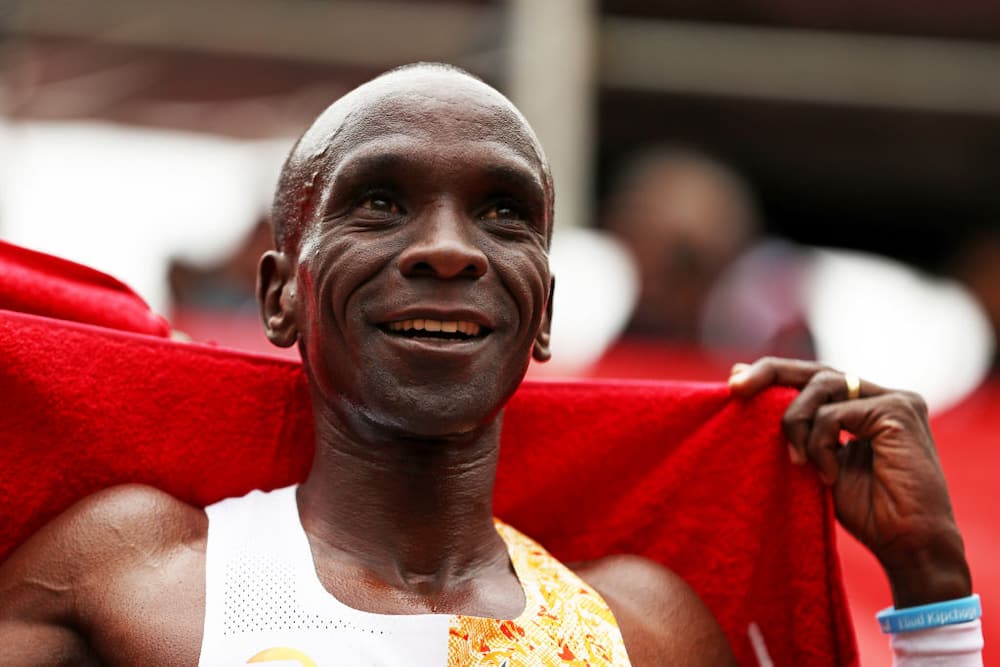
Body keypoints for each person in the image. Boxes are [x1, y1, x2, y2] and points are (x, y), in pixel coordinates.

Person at [0, 63, 980, 665]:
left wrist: (930, 587)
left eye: (502, 211)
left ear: (542, 308)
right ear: (279, 295)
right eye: (379, 201)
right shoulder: (137, 574)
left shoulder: (640, 632)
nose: (448, 248)